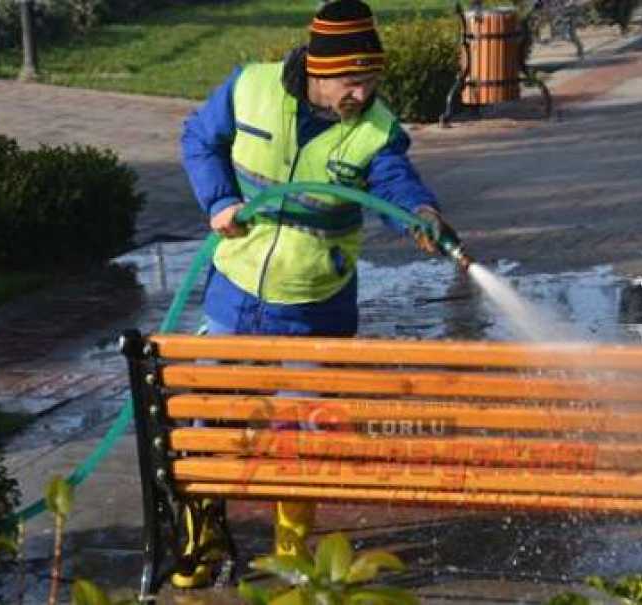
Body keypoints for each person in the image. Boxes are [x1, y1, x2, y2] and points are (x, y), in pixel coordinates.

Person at [178, 0, 459, 588]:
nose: (364, 92)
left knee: (300, 430)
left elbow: (395, 182)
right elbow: (199, 138)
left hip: (314, 305)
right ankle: (200, 541)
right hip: (234, 288)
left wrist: (422, 213)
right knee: (211, 420)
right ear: (319, 69)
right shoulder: (249, 88)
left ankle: (292, 549)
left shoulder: (375, 129)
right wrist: (220, 200)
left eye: (372, 78)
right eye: (354, 80)